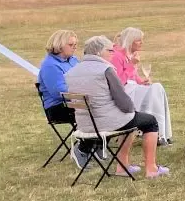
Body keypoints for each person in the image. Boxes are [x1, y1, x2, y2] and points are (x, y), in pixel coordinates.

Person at [65, 35, 169, 179]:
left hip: (84, 125)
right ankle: (151, 168)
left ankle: (123, 167)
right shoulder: (105, 69)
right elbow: (123, 101)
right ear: (98, 52)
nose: (113, 53)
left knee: (130, 121)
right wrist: (131, 108)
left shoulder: (72, 72)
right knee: (150, 121)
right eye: (110, 50)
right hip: (106, 122)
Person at [111, 27, 173, 145]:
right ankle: (156, 132)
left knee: (157, 88)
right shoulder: (117, 56)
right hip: (124, 95)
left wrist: (141, 82)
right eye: (138, 40)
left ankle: (160, 132)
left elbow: (133, 77)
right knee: (156, 89)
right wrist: (131, 64)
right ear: (130, 41)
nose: (141, 43)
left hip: (133, 90)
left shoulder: (129, 55)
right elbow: (118, 82)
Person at [37, 30, 79, 125]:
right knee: (96, 110)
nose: (75, 47)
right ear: (59, 46)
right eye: (71, 44)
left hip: (77, 102)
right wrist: (84, 90)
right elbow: (59, 92)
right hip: (58, 108)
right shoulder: (50, 65)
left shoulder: (74, 60)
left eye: (75, 44)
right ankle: (92, 139)